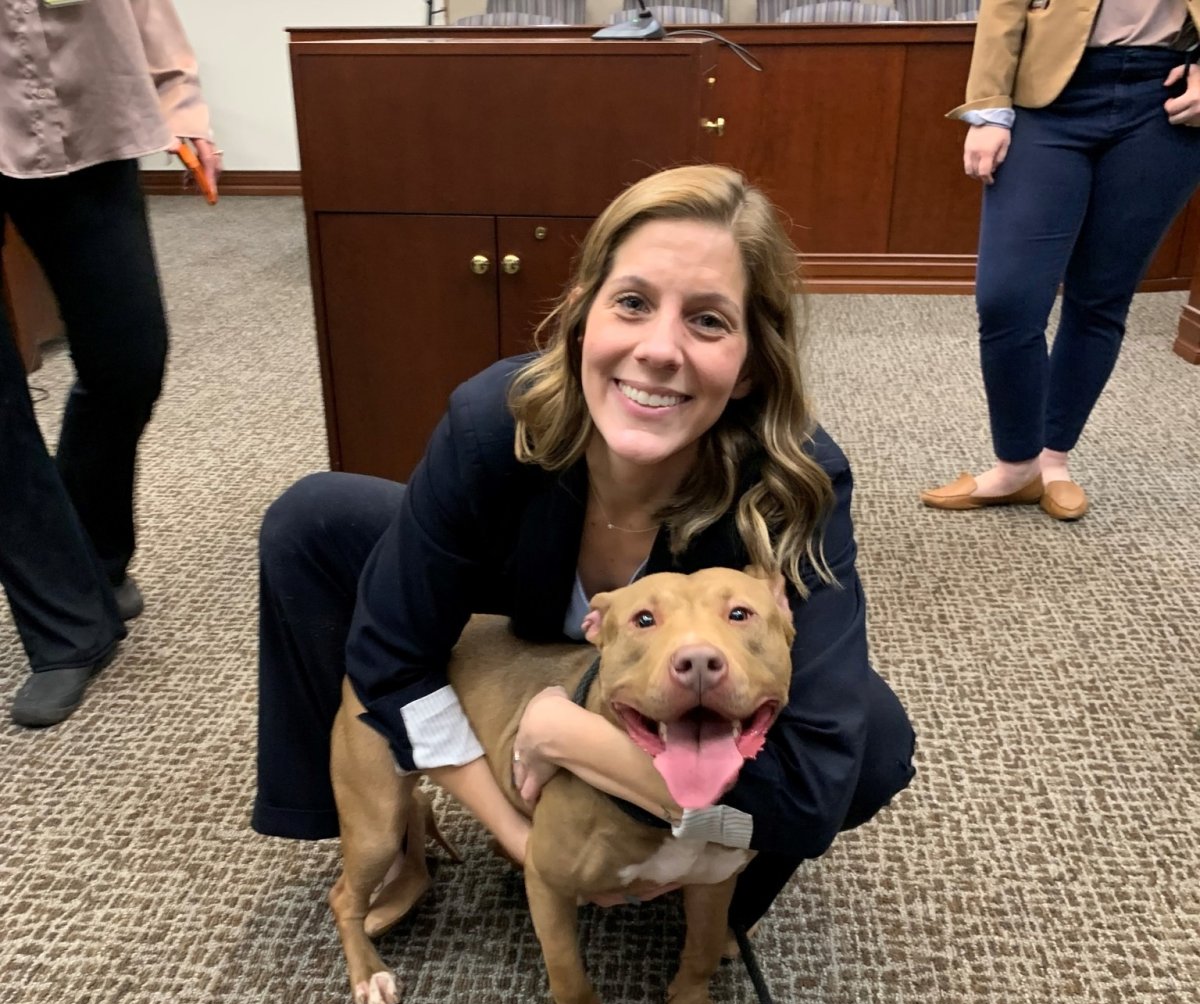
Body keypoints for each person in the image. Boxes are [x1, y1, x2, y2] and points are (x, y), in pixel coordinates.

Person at [253, 164, 916, 935]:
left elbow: (814, 790)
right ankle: (382, 837)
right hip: (521, 593)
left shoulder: (798, 480)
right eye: (632, 303)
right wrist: (517, 833)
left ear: (750, 366)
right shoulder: (489, 425)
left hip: (663, 662)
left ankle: (697, 872)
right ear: (579, 318)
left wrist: (571, 738)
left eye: (708, 321)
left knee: (873, 740)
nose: (660, 350)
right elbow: (390, 660)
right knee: (314, 521)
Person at [0, 0, 220, 727]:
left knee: (129, 357)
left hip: (86, 112)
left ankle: (93, 555)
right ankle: (67, 628)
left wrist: (180, 101)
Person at [921, 0, 1200, 520]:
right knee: (1008, 298)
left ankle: (1051, 461)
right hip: (1045, 97)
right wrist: (988, 107)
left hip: (1165, 98)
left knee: (1101, 299)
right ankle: (1015, 463)